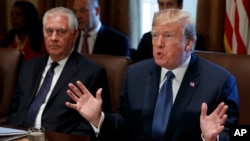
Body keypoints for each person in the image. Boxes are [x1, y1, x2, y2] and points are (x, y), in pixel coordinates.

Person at [65, 9, 239, 141]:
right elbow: (125, 124)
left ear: (189, 43)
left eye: (168, 36)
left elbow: (231, 134)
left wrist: (212, 138)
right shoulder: (135, 74)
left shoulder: (219, 82)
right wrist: (99, 118)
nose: (159, 44)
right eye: (155, 36)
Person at [7, 7, 110, 139]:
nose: (53, 38)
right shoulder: (29, 66)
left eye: (61, 32)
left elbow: (90, 123)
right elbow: (15, 110)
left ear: (74, 35)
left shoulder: (91, 73)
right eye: (49, 31)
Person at [133, 0, 205, 63]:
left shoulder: (193, 38)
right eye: (161, 4)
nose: (165, 9)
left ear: (180, 6)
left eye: (170, 4)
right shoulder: (147, 38)